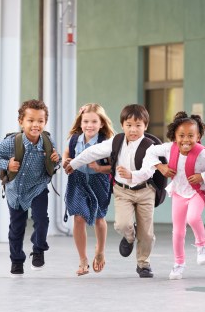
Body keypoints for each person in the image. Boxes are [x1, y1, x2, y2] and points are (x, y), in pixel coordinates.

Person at [127, 112, 205, 280]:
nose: (186, 140)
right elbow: (150, 151)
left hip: (197, 191)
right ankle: (178, 264)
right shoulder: (169, 148)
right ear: (174, 136)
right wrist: (161, 167)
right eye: (181, 135)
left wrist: (203, 177)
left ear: (199, 136)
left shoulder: (203, 153)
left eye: (191, 135)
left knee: (193, 217)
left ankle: (202, 244)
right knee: (178, 232)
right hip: (179, 193)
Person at [64, 104, 158, 278]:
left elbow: (149, 170)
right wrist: (73, 164)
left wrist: (132, 174)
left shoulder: (150, 146)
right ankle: (129, 237)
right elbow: (91, 152)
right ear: (122, 125)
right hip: (122, 191)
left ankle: (143, 264)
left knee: (147, 233)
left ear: (146, 125)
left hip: (144, 191)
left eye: (138, 125)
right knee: (122, 224)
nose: (133, 130)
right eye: (129, 125)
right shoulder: (116, 142)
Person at [0, 99, 60, 277]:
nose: (35, 125)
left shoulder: (47, 141)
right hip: (15, 191)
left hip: (38, 187)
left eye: (40, 121)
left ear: (45, 122)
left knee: (42, 220)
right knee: (17, 227)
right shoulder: (12, 142)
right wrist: (6, 164)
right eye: (30, 120)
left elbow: (55, 162)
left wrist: (56, 160)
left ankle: (38, 249)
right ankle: (17, 261)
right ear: (21, 122)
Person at [62, 104, 115, 276]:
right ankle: (83, 259)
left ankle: (100, 251)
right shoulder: (74, 139)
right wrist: (65, 161)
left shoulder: (106, 142)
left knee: (99, 218)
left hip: (98, 181)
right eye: (86, 121)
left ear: (101, 124)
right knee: (78, 218)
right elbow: (66, 154)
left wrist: (100, 168)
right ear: (80, 122)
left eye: (94, 121)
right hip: (77, 180)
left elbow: (115, 167)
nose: (89, 125)